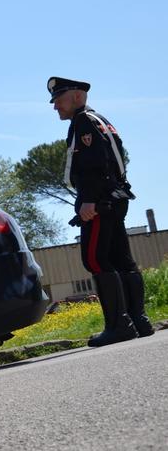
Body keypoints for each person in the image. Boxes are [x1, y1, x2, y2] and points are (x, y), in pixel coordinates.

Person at [48, 76, 154, 347]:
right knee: (122, 260)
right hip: (116, 197)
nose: (55, 106)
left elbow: (95, 164)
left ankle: (120, 325)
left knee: (95, 260)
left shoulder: (83, 121)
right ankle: (139, 320)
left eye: (59, 99)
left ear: (78, 97)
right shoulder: (101, 120)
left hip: (99, 202)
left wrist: (88, 201)